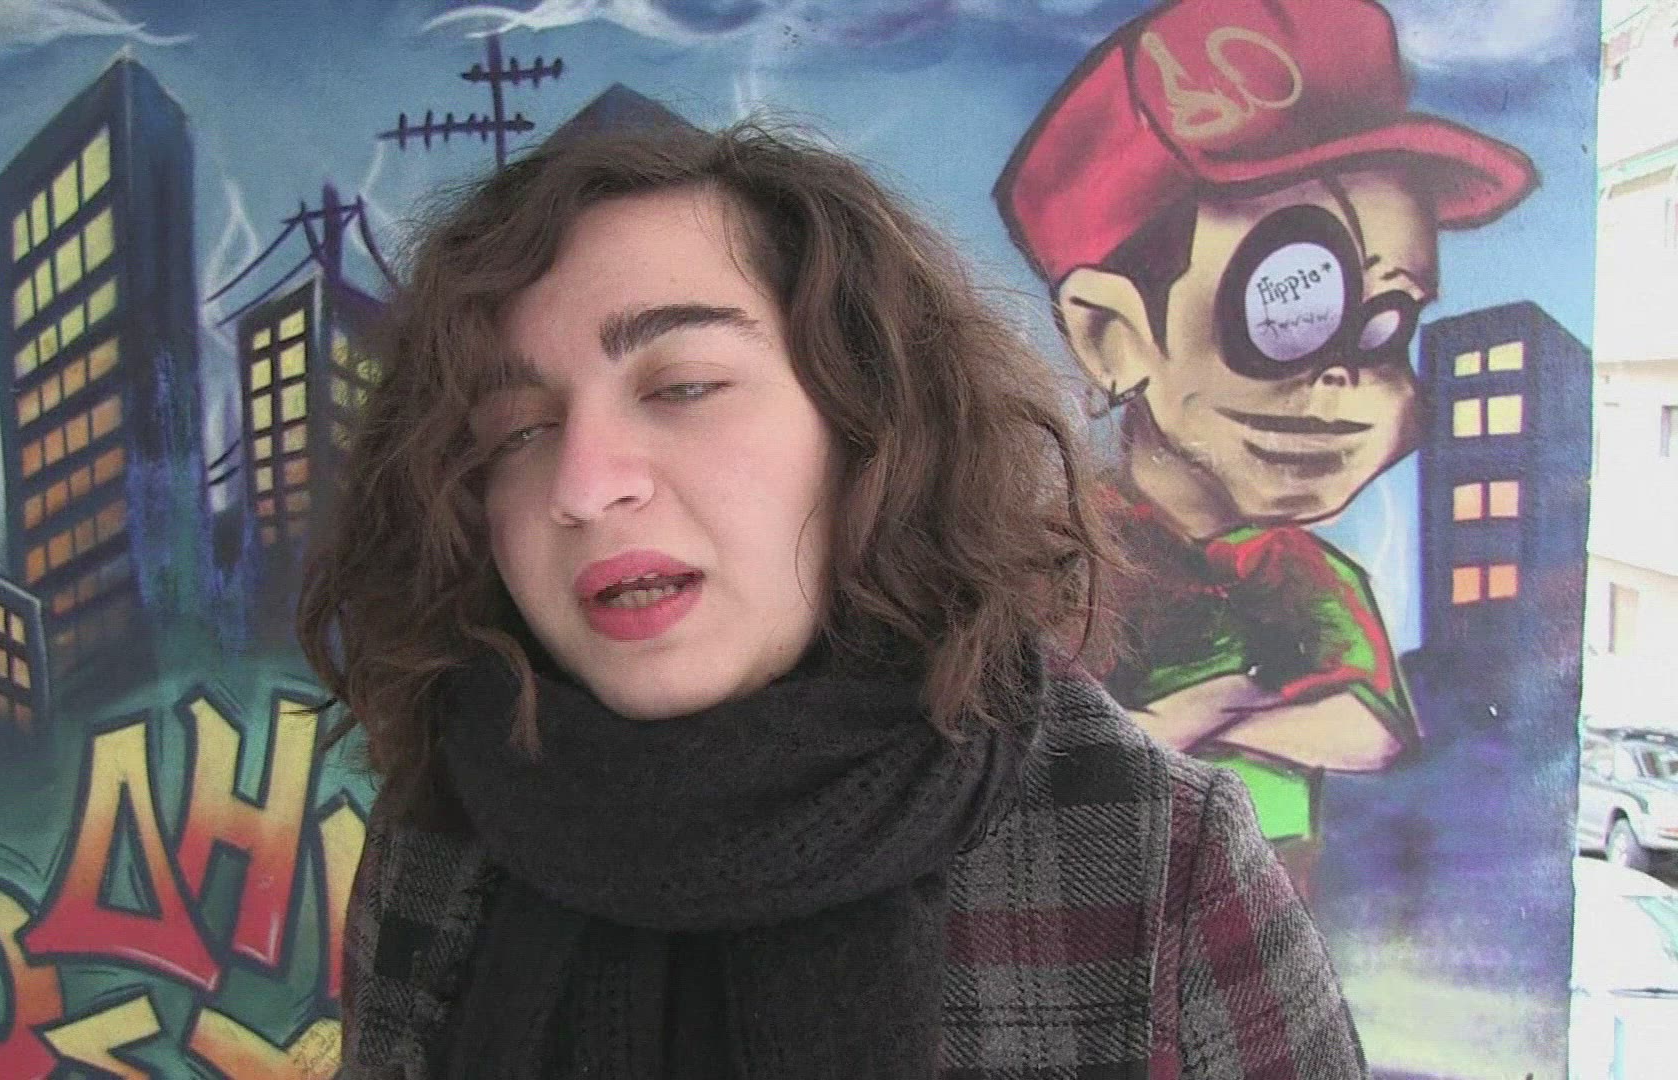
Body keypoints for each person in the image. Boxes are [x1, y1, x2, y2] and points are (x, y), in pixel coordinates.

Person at [302, 119, 1367, 1078]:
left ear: (871, 428)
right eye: (517, 431)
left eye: (683, 387)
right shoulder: (444, 838)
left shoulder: (1154, 854)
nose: (581, 486)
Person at [993, 0, 1537, 895]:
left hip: (1269, 886)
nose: (1344, 377)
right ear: (1112, 335)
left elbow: (1371, 730)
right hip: (1087, 900)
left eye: (1386, 324)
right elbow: (1034, 755)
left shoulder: (1304, 573)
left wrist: (1205, 717)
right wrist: (1235, 705)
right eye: (1289, 308)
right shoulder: (1053, 560)